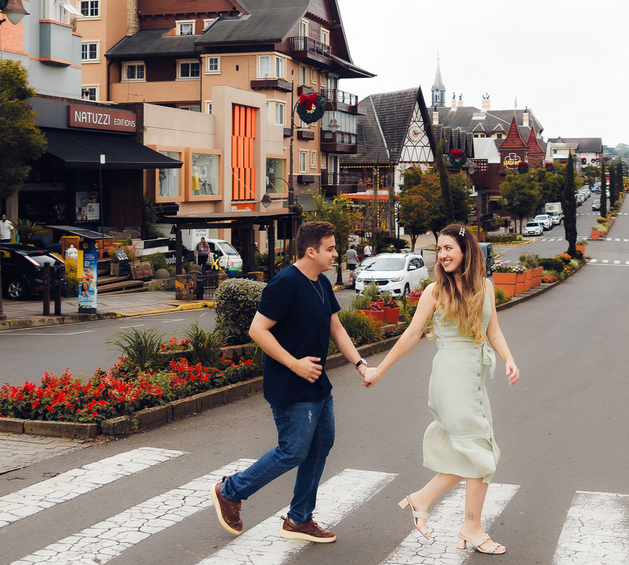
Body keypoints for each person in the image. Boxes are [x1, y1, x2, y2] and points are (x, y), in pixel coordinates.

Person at [362, 223, 519, 555]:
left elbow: (494, 333)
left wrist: (508, 359)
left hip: (474, 378)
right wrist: (380, 369)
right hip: (450, 378)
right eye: (440, 250)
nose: (443, 255)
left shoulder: (485, 287)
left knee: (480, 451)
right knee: (482, 455)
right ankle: (464, 523)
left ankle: (444, 511)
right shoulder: (435, 291)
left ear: (466, 251)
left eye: (449, 248)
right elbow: (409, 336)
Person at [209, 221, 369, 544]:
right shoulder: (285, 284)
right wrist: (294, 363)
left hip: (317, 383)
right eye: (331, 248)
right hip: (290, 384)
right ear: (311, 251)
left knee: (322, 444)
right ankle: (230, 490)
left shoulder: (321, 283)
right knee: (293, 450)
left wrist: (360, 364)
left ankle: (299, 518)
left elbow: (335, 328)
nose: (336, 254)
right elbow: (258, 330)